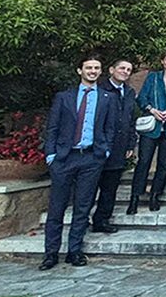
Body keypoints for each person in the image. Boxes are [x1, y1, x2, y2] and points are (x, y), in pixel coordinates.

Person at [40, 56, 117, 271]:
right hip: (65, 157)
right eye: (88, 68)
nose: (92, 71)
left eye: (96, 68)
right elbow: (53, 127)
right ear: (79, 70)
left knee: (83, 206)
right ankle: (50, 253)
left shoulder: (107, 98)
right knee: (57, 207)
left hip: (91, 157)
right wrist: (51, 155)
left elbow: (110, 128)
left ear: (101, 71)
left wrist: (105, 150)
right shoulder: (64, 97)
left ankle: (75, 250)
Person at [127, 50, 166, 214]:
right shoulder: (153, 78)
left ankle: (155, 195)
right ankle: (135, 197)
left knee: (163, 164)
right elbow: (141, 98)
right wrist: (152, 110)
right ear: (162, 61)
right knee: (144, 161)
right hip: (152, 125)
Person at [92, 60, 137, 234]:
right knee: (90, 187)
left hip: (119, 147)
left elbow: (131, 120)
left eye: (128, 69)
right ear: (111, 70)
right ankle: (81, 221)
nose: (125, 72)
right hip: (98, 146)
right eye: (122, 68)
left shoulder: (129, 92)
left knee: (110, 188)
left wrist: (131, 143)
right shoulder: (99, 89)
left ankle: (102, 220)